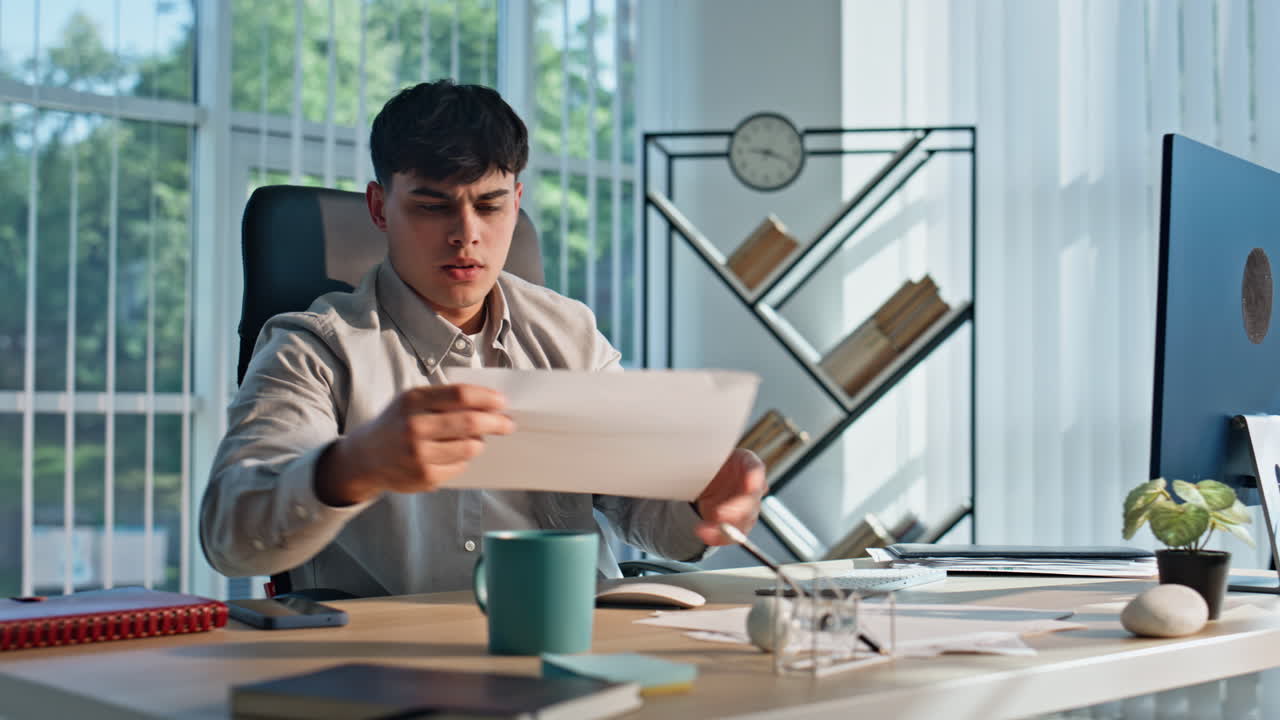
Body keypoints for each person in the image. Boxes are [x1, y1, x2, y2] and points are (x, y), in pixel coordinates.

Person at [199, 80, 765, 597]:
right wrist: (351, 467)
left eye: (489, 205)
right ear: (379, 208)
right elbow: (229, 537)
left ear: (516, 204)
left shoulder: (570, 334)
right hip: (390, 666)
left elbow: (639, 507)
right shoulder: (315, 349)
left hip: (571, 636)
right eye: (432, 206)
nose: (465, 235)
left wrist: (702, 499)